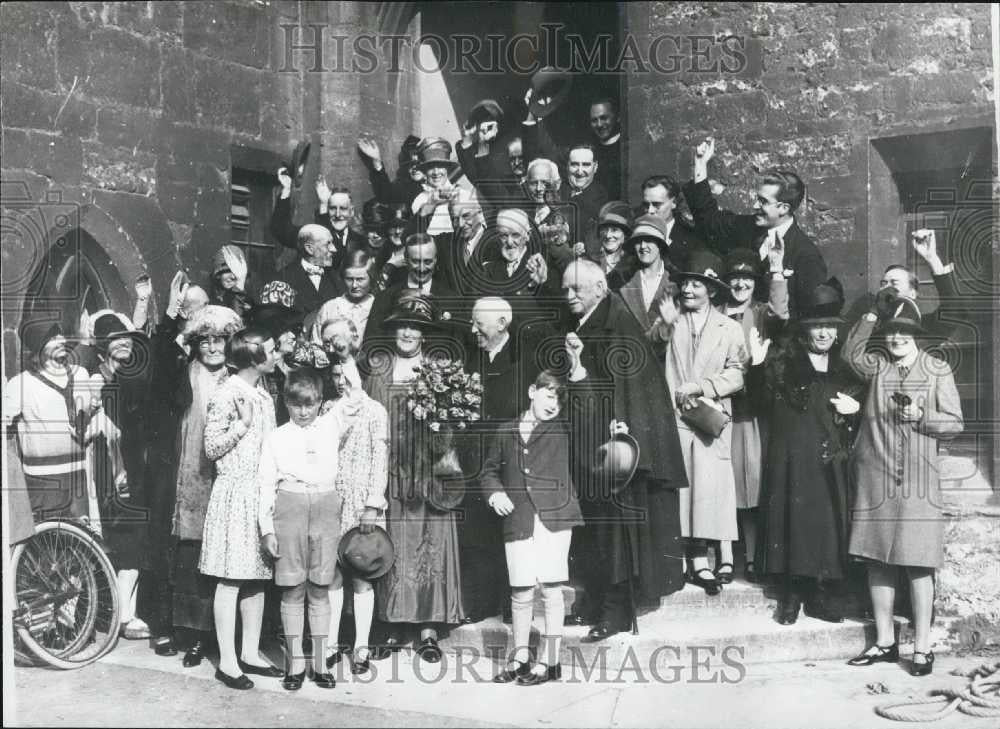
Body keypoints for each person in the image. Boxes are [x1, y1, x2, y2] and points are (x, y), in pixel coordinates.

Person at [560, 260, 689, 640]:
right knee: (597, 528)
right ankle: (597, 601)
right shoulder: (598, 319)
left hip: (616, 447)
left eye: (577, 290)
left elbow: (622, 390)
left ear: (600, 288)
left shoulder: (616, 324)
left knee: (614, 531)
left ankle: (615, 610)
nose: (569, 297)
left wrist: (580, 373)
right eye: (566, 289)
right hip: (596, 442)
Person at [843, 298, 963, 677]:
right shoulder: (877, 366)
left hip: (917, 482)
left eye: (904, 331)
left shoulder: (937, 369)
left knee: (917, 564)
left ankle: (923, 648)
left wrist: (923, 416)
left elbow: (955, 423)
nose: (896, 337)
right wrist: (871, 315)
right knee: (877, 561)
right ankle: (884, 642)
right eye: (891, 331)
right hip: (875, 477)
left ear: (916, 335)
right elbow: (850, 353)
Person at [750, 279, 862, 624]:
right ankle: (791, 596)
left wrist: (855, 410)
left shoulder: (845, 369)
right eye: (817, 327)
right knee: (792, 525)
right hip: (792, 459)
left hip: (828, 459)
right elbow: (758, 403)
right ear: (806, 331)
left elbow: (857, 413)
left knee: (825, 528)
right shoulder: (783, 365)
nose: (825, 333)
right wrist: (755, 367)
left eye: (829, 327)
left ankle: (819, 595)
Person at [363, 294, 465, 662]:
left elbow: (452, 426)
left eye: (416, 326)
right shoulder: (379, 369)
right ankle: (392, 624)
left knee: (428, 545)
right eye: (402, 325)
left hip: (429, 470)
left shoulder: (440, 368)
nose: (408, 332)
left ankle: (427, 629)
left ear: (425, 333)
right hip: (392, 471)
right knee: (394, 544)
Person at [650, 250, 748, 596]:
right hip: (675, 417)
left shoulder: (730, 328)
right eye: (686, 283)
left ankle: (702, 562)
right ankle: (683, 560)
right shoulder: (670, 319)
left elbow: (738, 373)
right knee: (682, 489)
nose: (689, 289)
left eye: (697, 283)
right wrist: (664, 324)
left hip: (709, 417)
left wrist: (704, 387)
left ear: (711, 289)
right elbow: (649, 350)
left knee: (709, 491)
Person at [482, 370, 584, 686]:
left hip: (554, 518)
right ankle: (521, 656)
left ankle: (551, 662)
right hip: (519, 519)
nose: (555, 404)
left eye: (560, 399)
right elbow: (488, 472)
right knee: (522, 590)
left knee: (551, 589)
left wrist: (578, 367)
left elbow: (586, 406)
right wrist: (495, 493)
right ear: (532, 391)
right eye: (550, 395)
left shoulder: (564, 429)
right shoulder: (505, 431)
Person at [200, 328, 282, 690]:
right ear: (254, 357)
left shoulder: (263, 393)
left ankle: (250, 652)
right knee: (231, 575)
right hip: (234, 492)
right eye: (272, 348)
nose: (277, 353)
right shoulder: (227, 394)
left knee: (257, 575)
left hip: (260, 493)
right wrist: (242, 425)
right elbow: (211, 448)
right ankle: (228, 662)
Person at [166, 304, 243, 665]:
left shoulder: (238, 378)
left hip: (226, 476)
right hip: (192, 473)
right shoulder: (185, 373)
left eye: (220, 341)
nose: (213, 348)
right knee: (193, 556)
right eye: (206, 341)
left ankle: (223, 637)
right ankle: (194, 634)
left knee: (224, 558)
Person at [257, 367, 342, 690]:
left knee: (320, 588)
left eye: (310, 404)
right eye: (297, 405)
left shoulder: (332, 427)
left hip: (325, 504)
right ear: (286, 403)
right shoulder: (277, 437)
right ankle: (295, 663)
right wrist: (267, 528)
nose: (304, 411)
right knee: (292, 589)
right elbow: (265, 484)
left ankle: (320, 663)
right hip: (289, 506)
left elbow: (355, 398)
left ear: (321, 402)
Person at [684, 137, 828, 317]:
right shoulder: (747, 227)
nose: (754, 206)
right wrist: (700, 164)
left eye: (763, 202)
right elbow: (708, 221)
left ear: (784, 208)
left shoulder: (806, 254)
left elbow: (808, 315)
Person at [717, 248, 789, 583]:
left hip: (755, 410)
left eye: (746, 278)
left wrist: (776, 273)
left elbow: (780, 312)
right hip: (722, 409)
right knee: (725, 484)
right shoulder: (716, 313)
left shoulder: (760, 312)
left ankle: (753, 555)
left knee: (754, 484)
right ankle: (726, 556)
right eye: (734, 278)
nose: (740, 284)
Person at [87, 311, 154, 641]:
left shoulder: (130, 379)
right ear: (102, 348)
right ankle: (123, 616)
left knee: (134, 539)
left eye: (127, 337)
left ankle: (126, 612)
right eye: (116, 338)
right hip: (109, 469)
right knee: (123, 539)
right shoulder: (96, 382)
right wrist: (118, 470)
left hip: (132, 466)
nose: (124, 342)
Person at [323, 354, 389, 674]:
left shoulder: (376, 411)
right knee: (333, 575)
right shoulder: (328, 410)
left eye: (346, 376)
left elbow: (380, 459)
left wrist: (373, 504)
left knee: (362, 576)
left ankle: (361, 647)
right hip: (333, 500)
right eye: (336, 375)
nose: (340, 382)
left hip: (362, 501)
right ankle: (331, 644)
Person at [4, 318, 93, 522]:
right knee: (47, 543)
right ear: (39, 347)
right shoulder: (21, 384)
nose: (61, 340)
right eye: (53, 337)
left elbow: (95, 417)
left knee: (82, 543)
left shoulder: (81, 375)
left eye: (60, 334)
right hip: (42, 482)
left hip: (78, 476)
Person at [616, 215, 679, 344]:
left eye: (649, 240)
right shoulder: (621, 283)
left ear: (661, 245)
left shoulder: (678, 286)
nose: (643, 246)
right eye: (638, 241)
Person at [277, 223, 345, 317]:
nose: (334, 249)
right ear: (309, 249)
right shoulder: (283, 279)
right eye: (328, 244)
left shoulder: (337, 279)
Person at [638, 176, 704, 271]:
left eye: (657, 205)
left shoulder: (690, 239)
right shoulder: (635, 235)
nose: (650, 211)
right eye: (646, 205)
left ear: (674, 203)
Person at [311, 249, 377, 343]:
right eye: (349, 279)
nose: (354, 285)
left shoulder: (379, 307)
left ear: (371, 278)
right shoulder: (329, 308)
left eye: (360, 279)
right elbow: (316, 345)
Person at [411, 137, 469, 236]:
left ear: (447, 168)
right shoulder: (419, 201)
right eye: (430, 167)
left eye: (440, 166)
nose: (436, 172)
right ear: (424, 171)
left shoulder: (465, 196)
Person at [560, 144, 608, 257]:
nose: (580, 171)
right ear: (567, 166)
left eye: (586, 165)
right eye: (574, 164)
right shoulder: (557, 190)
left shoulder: (602, 199)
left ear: (595, 167)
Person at [357, 135, 424, 207]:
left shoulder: (435, 183)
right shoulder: (408, 188)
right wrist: (377, 160)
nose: (415, 168)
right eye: (410, 165)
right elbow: (385, 195)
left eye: (418, 164)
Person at [314, 182, 368, 268]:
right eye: (332, 208)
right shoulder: (319, 240)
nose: (338, 214)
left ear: (352, 211)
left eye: (343, 208)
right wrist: (323, 204)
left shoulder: (362, 241)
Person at [592, 202, 635, 291]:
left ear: (625, 235)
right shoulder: (590, 261)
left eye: (614, 230)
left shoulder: (632, 267)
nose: (608, 235)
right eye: (605, 229)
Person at [209, 245, 253, 319]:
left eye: (237, 272)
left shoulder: (246, 299)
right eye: (228, 271)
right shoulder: (207, 295)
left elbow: (237, 325)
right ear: (218, 273)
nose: (233, 276)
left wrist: (239, 286)